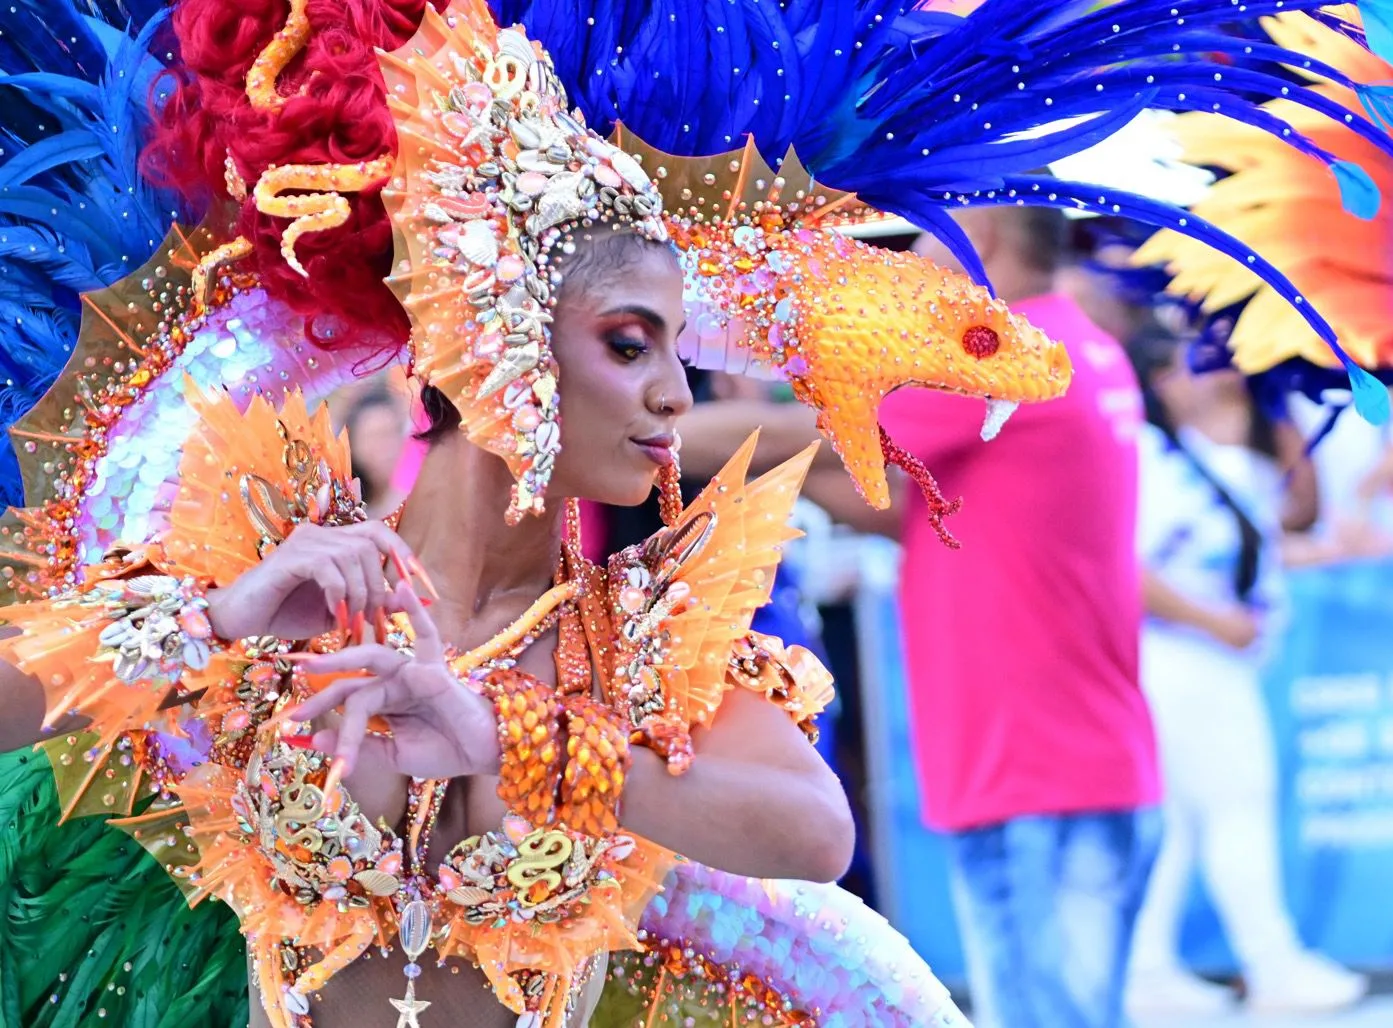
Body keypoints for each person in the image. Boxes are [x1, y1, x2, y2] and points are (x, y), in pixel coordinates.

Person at [1, 1, 1384, 1026]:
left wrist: (512, 739)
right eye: (629, 345)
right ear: (494, 341)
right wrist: (205, 622)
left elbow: (812, 838)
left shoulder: (640, 650)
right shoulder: (265, 577)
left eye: (676, 349)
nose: (674, 398)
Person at [809, 208, 1162, 1028]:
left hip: (1029, 769)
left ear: (984, 236)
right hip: (1068, 759)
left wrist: (667, 428)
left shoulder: (1006, 351)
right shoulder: (1074, 343)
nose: (914, 256)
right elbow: (905, 504)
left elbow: (834, 439)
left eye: (929, 229)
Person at [1125, 326, 1369, 1017]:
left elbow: (1278, 528)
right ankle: (1270, 965)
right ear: (1161, 381)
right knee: (1235, 809)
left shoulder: (1200, 458)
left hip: (1199, 659)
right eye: (1192, 365)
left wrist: (1275, 396)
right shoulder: (1145, 459)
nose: (1211, 375)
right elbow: (1127, 569)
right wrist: (1215, 624)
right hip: (1184, 658)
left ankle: (1147, 973)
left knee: (1179, 823)